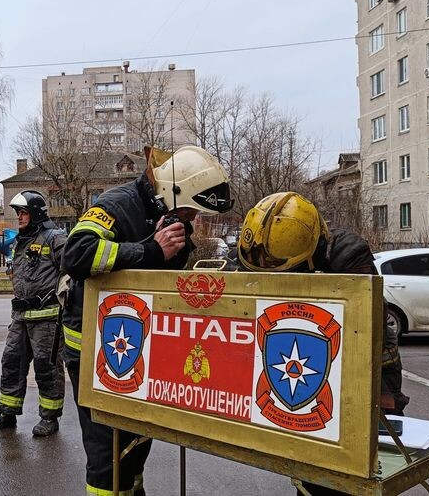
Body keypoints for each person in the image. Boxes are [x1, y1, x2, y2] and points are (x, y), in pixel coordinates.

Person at [61, 145, 234, 496]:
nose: (191, 219)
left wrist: (175, 251)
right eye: (189, 210)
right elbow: (75, 254)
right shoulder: (116, 204)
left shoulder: (167, 217)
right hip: (95, 352)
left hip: (137, 348)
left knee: (136, 445)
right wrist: (149, 250)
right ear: (174, 192)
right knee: (107, 456)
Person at [236, 192, 409, 496]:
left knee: (358, 468)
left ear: (312, 250)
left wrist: (383, 395)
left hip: (367, 369)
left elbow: (368, 326)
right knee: (309, 461)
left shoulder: (348, 255)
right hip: (299, 364)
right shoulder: (257, 249)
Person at [0, 190, 68, 437]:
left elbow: (71, 268)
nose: (19, 218)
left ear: (35, 213)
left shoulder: (55, 238)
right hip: (20, 317)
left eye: (23, 213)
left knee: (47, 367)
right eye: (18, 213)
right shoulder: (21, 240)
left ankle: (50, 417)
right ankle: (7, 413)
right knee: (11, 362)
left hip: (47, 317)